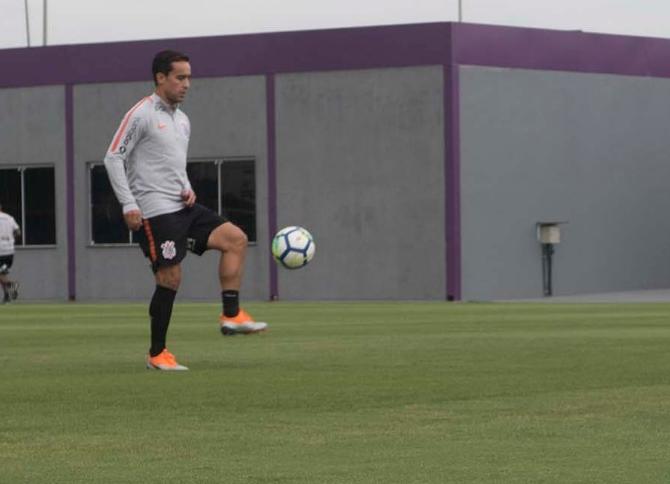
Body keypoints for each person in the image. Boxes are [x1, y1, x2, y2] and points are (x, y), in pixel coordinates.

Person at [103, 50, 267, 371]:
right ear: (160, 78)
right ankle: (157, 353)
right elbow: (113, 157)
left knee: (236, 239)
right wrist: (128, 203)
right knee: (170, 277)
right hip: (154, 211)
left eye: (189, 77)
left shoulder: (183, 120)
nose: (187, 84)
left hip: (183, 205)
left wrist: (186, 185)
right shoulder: (141, 114)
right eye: (180, 77)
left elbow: (171, 162)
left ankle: (231, 315)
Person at [0, 203, 21, 304]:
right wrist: (11, 239)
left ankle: (12, 287)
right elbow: (18, 232)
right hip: (10, 251)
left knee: (1, 274)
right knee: (2, 274)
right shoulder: (9, 218)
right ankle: (7, 296)